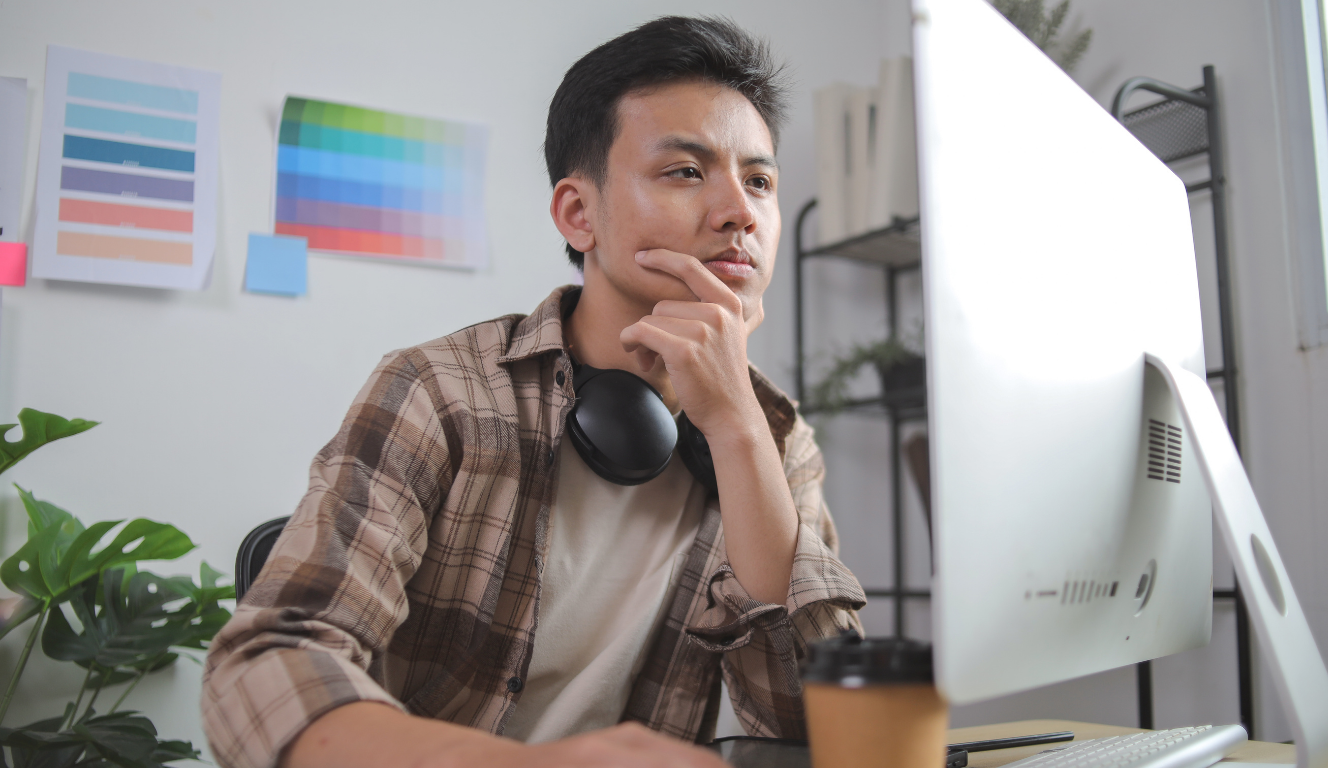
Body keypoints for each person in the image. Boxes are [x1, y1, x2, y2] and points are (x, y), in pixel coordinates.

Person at [201, 15, 865, 768]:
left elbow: (816, 720)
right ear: (579, 214)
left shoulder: (775, 440)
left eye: (760, 180)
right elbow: (261, 667)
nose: (740, 211)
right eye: (685, 171)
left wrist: (740, 433)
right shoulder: (440, 393)